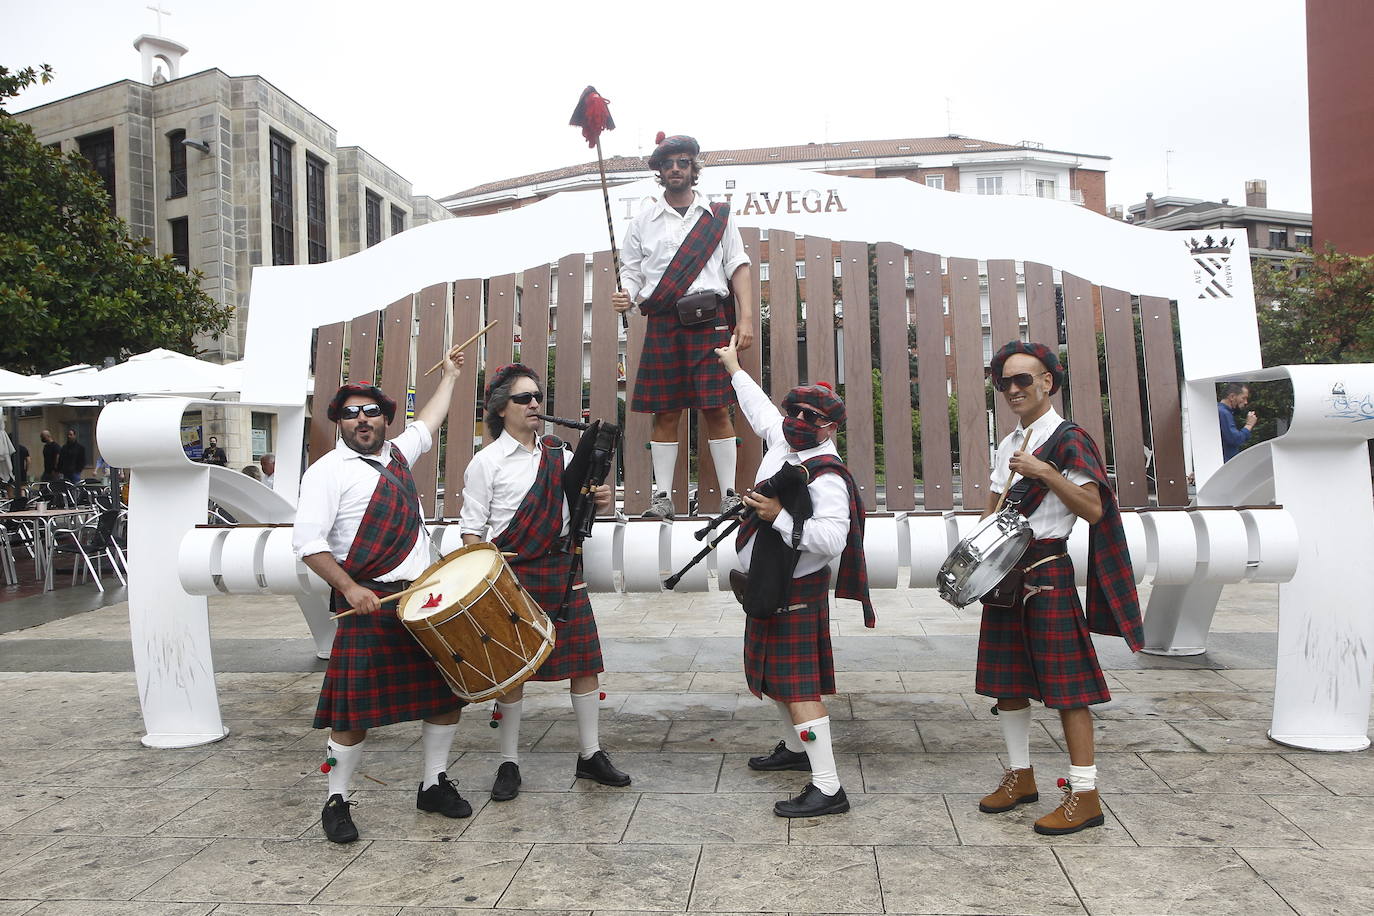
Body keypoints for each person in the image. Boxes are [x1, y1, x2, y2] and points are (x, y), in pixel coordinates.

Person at [292, 346, 468, 844]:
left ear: (386, 419)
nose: (361, 420)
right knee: (352, 715)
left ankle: (433, 784)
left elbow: (430, 421)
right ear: (339, 423)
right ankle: (337, 799)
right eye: (350, 414)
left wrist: (451, 375)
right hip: (365, 602)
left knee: (445, 695)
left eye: (371, 411)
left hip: (421, 599)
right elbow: (307, 543)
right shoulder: (326, 472)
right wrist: (349, 588)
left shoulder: (396, 455)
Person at [974, 341, 1144, 836]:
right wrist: (976, 560)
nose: (1012, 389)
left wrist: (1045, 471)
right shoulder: (1009, 442)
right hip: (1005, 571)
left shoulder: (1070, 440)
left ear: (1048, 381)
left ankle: (1085, 794)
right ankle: (1021, 776)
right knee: (1006, 684)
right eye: (1004, 382)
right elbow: (991, 509)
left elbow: (1093, 509)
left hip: (1047, 571)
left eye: (1022, 380)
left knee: (1069, 691)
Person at [714, 336, 874, 818]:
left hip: (795, 590)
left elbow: (831, 542)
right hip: (766, 586)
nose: (800, 423)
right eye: (795, 413)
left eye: (813, 418)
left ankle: (828, 787)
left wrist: (775, 516)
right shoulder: (782, 437)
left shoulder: (828, 476)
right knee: (779, 681)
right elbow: (758, 408)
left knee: (800, 689)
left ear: (830, 427)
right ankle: (795, 748)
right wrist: (732, 366)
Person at [459, 363, 630, 802]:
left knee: (584, 665)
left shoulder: (561, 453)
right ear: (501, 408)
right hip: (511, 574)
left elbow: (582, 509)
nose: (535, 404)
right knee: (513, 671)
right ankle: (508, 761)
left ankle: (590, 754)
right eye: (523, 398)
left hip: (561, 568)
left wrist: (602, 499)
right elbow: (472, 530)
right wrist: (481, 586)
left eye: (537, 396)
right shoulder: (486, 463)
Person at [610, 133, 755, 520]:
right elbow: (632, 271)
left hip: (710, 321)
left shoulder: (718, 216)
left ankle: (729, 496)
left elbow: (737, 265)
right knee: (666, 412)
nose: (676, 168)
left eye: (683, 162)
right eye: (668, 163)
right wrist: (626, 293)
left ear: (694, 169)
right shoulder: (643, 222)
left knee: (717, 410)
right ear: (659, 171)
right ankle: (662, 498)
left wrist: (745, 318)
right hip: (663, 320)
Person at [1218, 383, 1257, 462]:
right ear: (1232, 396)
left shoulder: (1221, 411)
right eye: (1243, 398)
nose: (1246, 402)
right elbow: (1235, 440)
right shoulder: (1223, 413)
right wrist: (1249, 425)